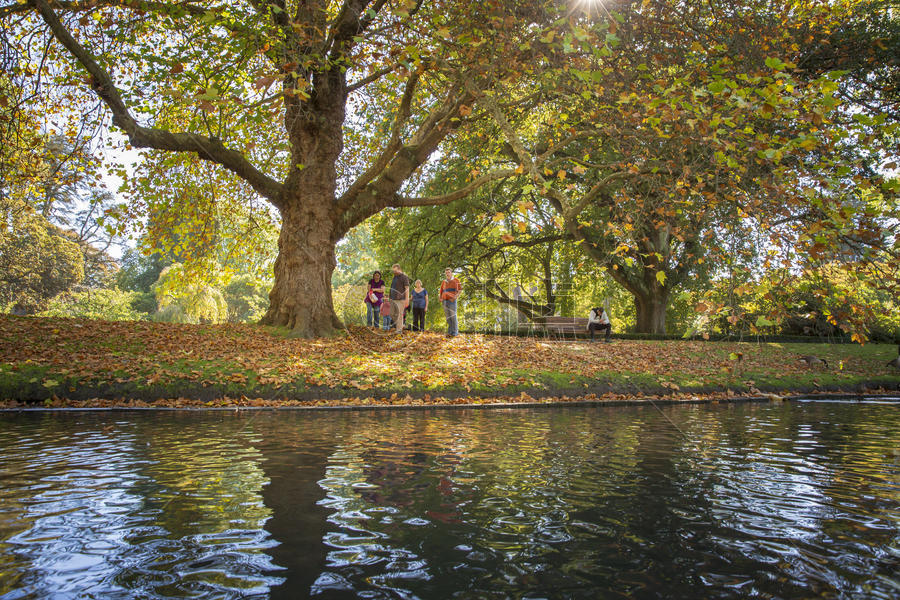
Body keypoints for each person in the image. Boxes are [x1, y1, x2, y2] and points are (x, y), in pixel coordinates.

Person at [439, 268, 461, 337]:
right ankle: (450, 332)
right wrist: (440, 298)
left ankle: (455, 332)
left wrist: (455, 297)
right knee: (448, 317)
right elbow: (441, 291)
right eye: (446, 273)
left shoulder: (456, 280)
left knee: (453, 316)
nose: (447, 274)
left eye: (448, 272)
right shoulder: (444, 282)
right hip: (445, 301)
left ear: (451, 273)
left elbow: (460, 290)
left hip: (452, 301)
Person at [388, 263, 410, 334]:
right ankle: (400, 326)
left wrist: (407, 299)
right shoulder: (395, 277)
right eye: (393, 271)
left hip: (401, 299)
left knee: (399, 314)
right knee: (391, 313)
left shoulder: (404, 277)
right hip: (393, 299)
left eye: (395, 270)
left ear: (399, 269)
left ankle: (399, 330)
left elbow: (407, 289)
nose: (394, 272)